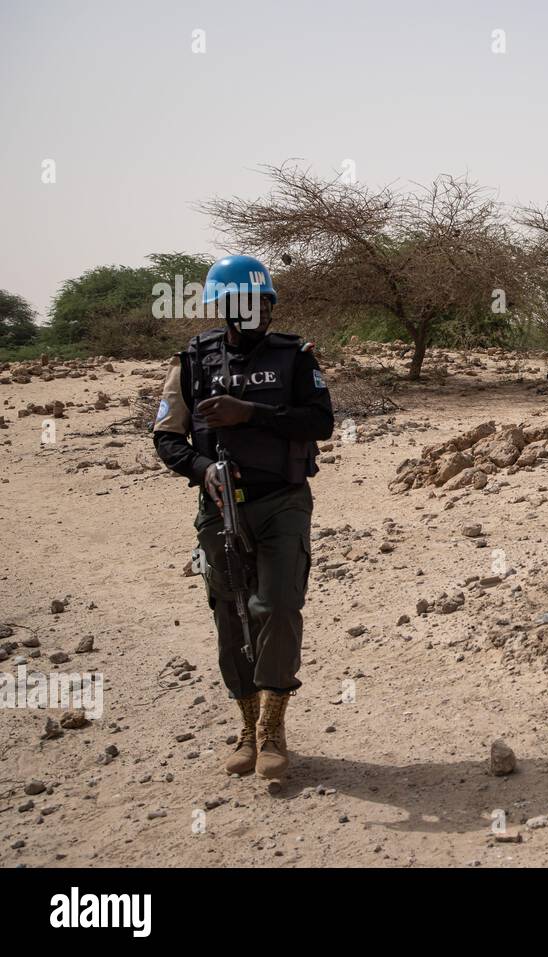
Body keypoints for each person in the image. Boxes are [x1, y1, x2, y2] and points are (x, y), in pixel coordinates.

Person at [153, 255, 333, 778]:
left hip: (283, 499)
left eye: (264, 302)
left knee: (276, 605)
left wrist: (251, 413)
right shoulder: (192, 360)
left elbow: (320, 422)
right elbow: (166, 436)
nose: (259, 312)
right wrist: (202, 467)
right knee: (230, 613)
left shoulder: (296, 355)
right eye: (247, 304)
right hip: (219, 505)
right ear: (227, 310)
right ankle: (246, 725)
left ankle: (273, 728)